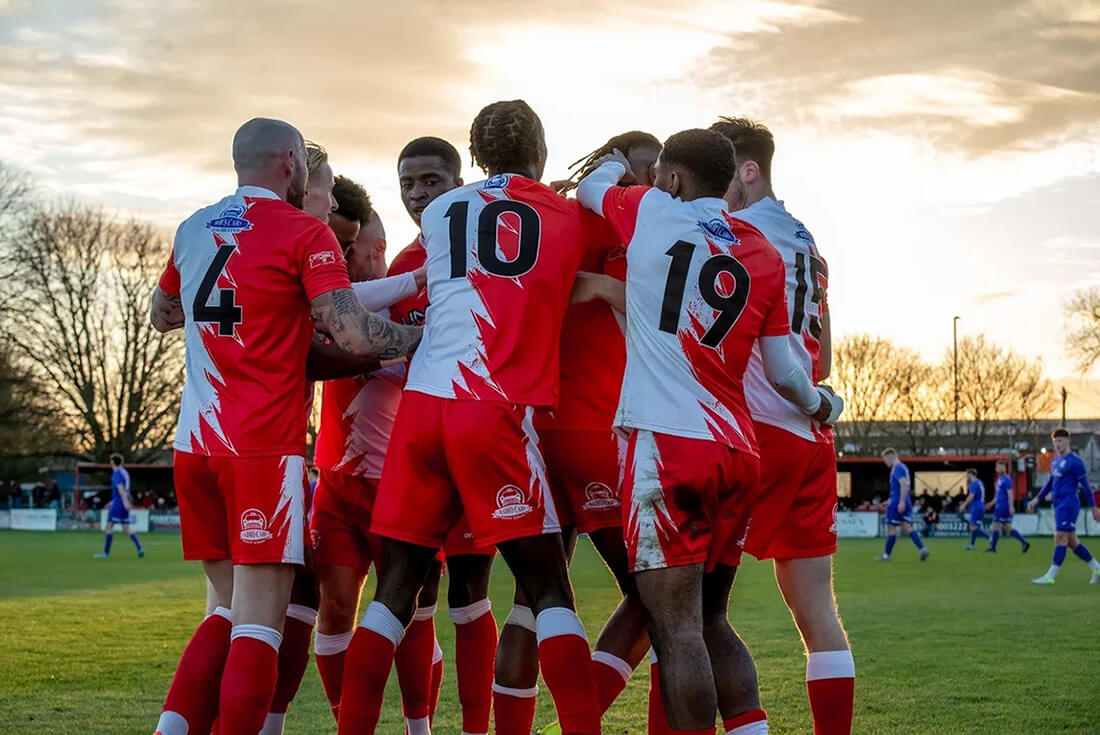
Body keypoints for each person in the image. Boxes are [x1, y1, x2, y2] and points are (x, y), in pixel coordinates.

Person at [337, 100, 613, 735]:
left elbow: (459, 283)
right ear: (539, 153)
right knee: (549, 591)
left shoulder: (439, 213)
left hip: (423, 409)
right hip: (490, 406)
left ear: (476, 156)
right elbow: (553, 278)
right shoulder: (562, 214)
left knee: (393, 595)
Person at [150, 117, 420, 735]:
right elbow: (352, 332)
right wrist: (425, 337)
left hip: (195, 444)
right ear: (292, 162)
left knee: (224, 609)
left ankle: (173, 728)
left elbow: (163, 312)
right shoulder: (303, 232)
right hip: (261, 448)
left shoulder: (193, 228)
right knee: (256, 623)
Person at [575, 128, 843, 735]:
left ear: (670, 179)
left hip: (666, 448)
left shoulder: (648, 211)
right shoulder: (764, 253)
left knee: (677, 631)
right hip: (737, 451)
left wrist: (617, 160)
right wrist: (825, 406)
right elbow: (788, 375)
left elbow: (594, 187)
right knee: (714, 619)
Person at [501, 130, 662, 735]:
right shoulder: (622, 226)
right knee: (658, 598)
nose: (658, 183)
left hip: (538, 426)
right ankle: (579, 720)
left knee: (532, 600)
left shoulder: (553, 217)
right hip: (595, 426)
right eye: (649, 169)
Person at [708, 115, 853, 735]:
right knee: (816, 609)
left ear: (748, 170)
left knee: (684, 609)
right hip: (811, 434)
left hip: (758, 429)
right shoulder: (808, 240)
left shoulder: (738, 232)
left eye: (725, 174)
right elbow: (823, 346)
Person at [389, 136, 499, 735]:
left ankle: (476, 729)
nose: (416, 194)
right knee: (413, 598)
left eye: (430, 181)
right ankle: (419, 729)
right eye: (407, 183)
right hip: (420, 446)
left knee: (470, 595)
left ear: (458, 182)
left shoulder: (487, 250)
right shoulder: (406, 265)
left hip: (475, 434)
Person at [1029, 429, 1100, 584]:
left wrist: (1094, 507)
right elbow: (1050, 483)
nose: (1057, 444)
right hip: (1058, 503)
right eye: (1055, 442)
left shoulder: (1075, 462)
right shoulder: (1054, 460)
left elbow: (1087, 486)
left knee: (1060, 536)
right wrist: (1037, 499)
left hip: (1069, 504)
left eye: (1060, 441)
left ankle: (1050, 577)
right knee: (1072, 542)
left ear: (1068, 441)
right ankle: (1097, 567)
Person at [875, 449, 930, 561]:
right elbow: (898, 489)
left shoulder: (898, 468)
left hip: (898, 502)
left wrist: (901, 501)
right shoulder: (902, 468)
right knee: (907, 527)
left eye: (885, 459)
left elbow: (903, 485)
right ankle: (923, 549)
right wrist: (887, 502)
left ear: (891, 456)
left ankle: (886, 555)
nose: (885, 462)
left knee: (891, 528)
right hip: (902, 500)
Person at [94, 454, 144, 559]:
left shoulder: (116, 473)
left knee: (109, 526)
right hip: (121, 500)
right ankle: (140, 547)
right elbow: (123, 489)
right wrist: (114, 501)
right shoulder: (124, 472)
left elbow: (120, 488)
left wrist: (123, 502)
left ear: (112, 462)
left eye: (110, 461)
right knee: (126, 528)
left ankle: (106, 553)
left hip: (120, 502)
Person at [985, 461, 1029, 553]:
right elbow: (997, 496)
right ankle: (1024, 542)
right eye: (997, 467)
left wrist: (1011, 506)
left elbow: (1010, 494)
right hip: (999, 505)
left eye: (1001, 467)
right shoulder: (999, 480)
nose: (998, 469)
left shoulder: (1006, 479)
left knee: (995, 525)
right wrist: (991, 503)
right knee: (1007, 528)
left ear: (1004, 468)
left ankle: (993, 548)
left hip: (1003, 506)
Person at [959, 469, 991, 551]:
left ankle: (990, 538)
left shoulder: (974, 483)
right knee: (974, 526)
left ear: (971, 474)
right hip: (980, 505)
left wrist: (964, 505)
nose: (966, 477)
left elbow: (971, 496)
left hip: (976, 506)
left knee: (973, 527)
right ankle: (972, 545)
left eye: (967, 475)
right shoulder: (980, 482)